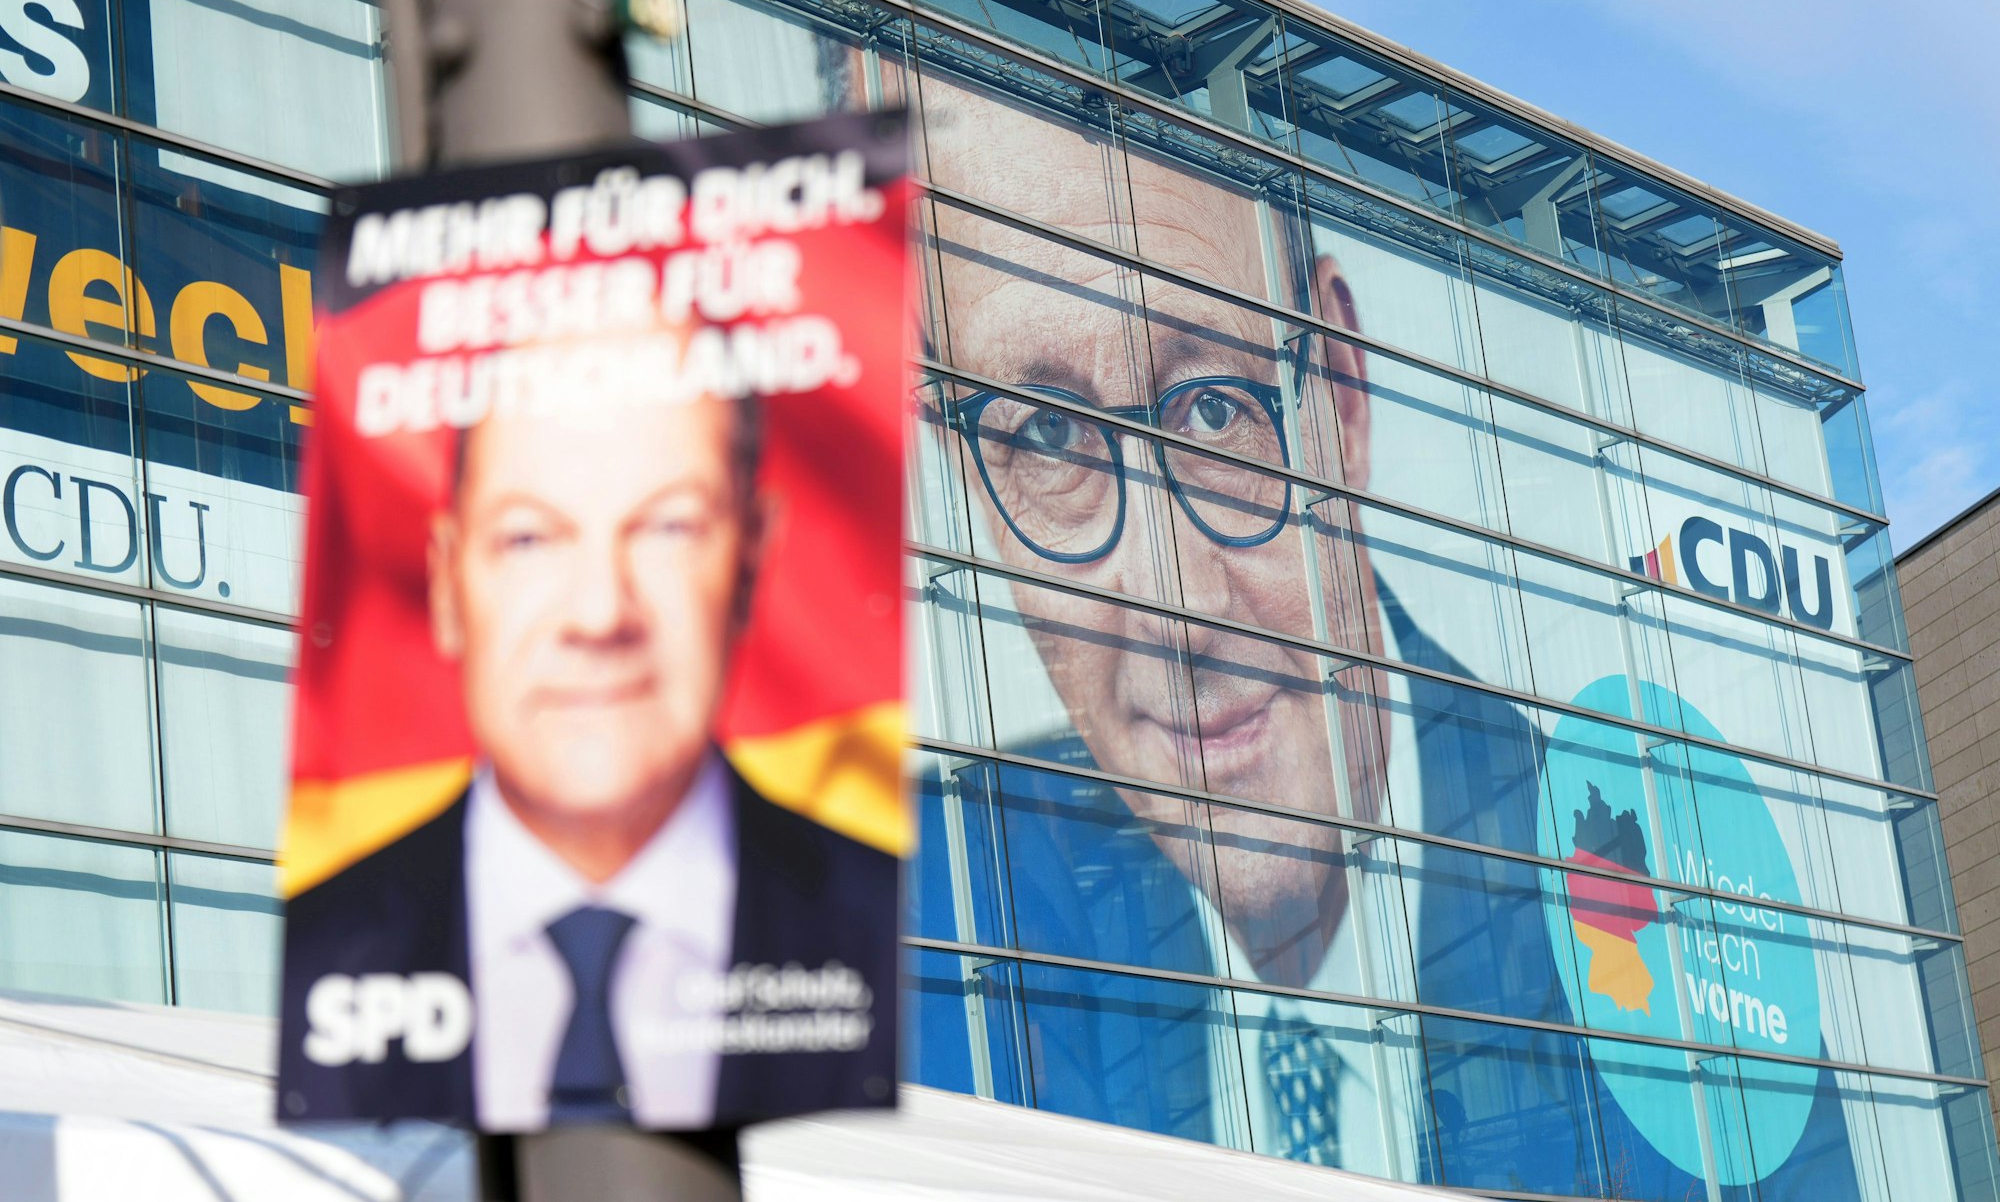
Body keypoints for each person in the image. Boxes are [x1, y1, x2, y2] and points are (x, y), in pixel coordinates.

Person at [912, 73, 1864, 1198]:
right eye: (1050, 433)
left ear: (1343, 398)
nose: (1176, 608)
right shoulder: (931, 912)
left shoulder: (1661, 911)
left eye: (1214, 406)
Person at [279, 380, 896, 1131]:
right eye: (530, 538)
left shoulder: (872, 925)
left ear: (750, 560)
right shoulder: (326, 952)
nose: (600, 613)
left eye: (668, 526)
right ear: (447, 580)